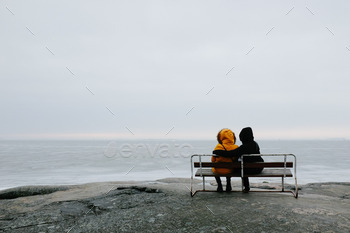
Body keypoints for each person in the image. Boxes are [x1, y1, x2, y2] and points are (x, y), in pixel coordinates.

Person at [213, 127, 264, 192]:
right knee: (243, 167)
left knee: (241, 168)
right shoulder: (255, 144)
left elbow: (230, 154)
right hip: (259, 168)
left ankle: (245, 186)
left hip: (250, 169)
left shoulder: (244, 147)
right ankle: (246, 187)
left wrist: (217, 152)